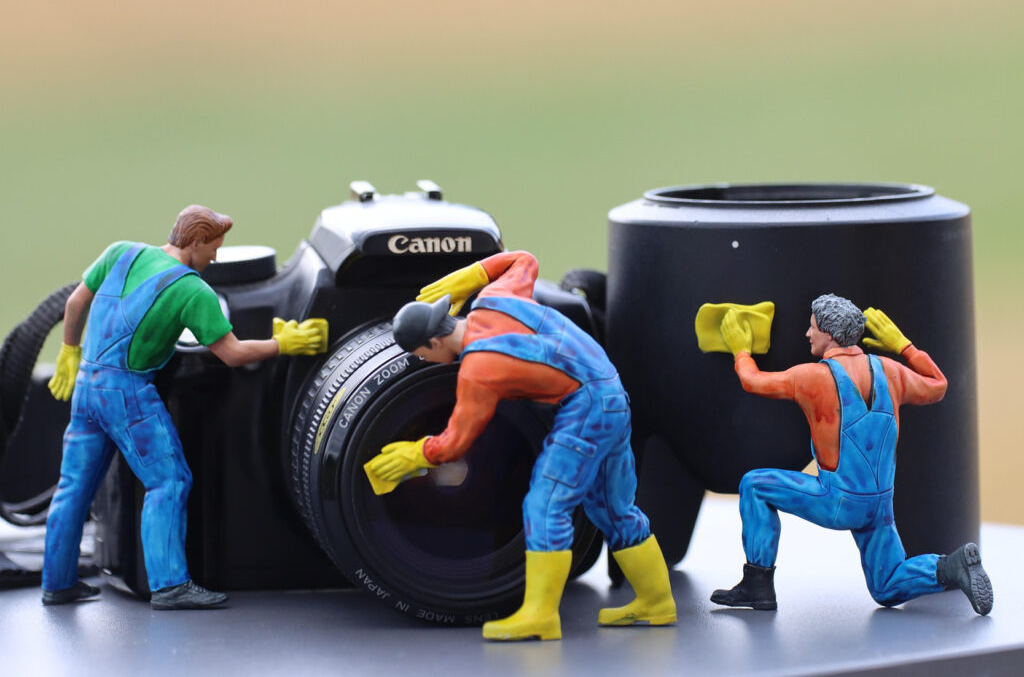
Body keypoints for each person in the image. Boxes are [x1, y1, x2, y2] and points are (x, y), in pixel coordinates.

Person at [364, 251, 676, 641]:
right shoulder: (494, 298)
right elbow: (523, 261)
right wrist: (471, 276)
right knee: (611, 507)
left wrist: (414, 454)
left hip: (585, 410)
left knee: (545, 505)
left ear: (433, 339)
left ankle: (540, 615)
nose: (427, 362)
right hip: (612, 394)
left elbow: (455, 443)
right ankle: (657, 602)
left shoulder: (478, 369)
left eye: (423, 355)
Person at [43, 205, 326, 609]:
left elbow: (74, 303)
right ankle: (170, 585)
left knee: (73, 487)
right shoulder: (192, 290)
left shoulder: (121, 251)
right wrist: (285, 344)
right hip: (128, 395)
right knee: (169, 481)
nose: (215, 257)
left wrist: (69, 351)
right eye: (213, 248)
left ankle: (57, 583)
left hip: (86, 385)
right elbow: (232, 353)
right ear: (195, 242)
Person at [709, 293, 992, 615]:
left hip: (838, 501)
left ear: (828, 334)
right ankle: (949, 567)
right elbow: (938, 384)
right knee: (886, 587)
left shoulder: (813, 376)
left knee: (755, 485)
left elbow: (752, 381)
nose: (807, 334)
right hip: (880, 506)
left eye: (812, 327)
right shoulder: (890, 371)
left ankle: (757, 584)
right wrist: (903, 345)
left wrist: (740, 349)